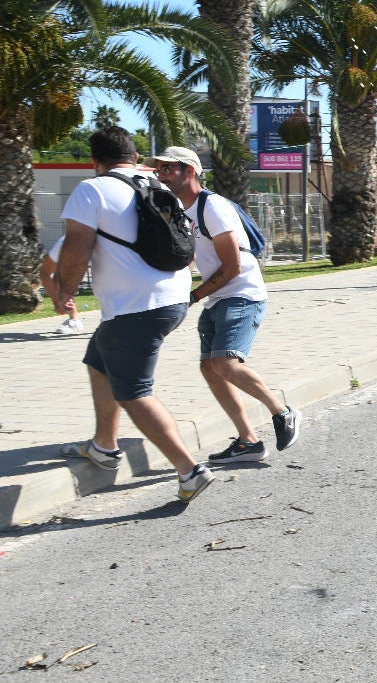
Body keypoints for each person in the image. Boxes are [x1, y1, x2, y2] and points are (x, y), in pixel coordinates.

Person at [53, 125, 216, 502]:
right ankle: (104, 446)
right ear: (137, 157)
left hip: (135, 309)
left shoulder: (92, 189)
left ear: (94, 162)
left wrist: (63, 291)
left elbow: (77, 248)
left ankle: (189, 470)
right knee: (99, 360)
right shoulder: (159, 187)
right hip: (171, 298)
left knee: (134, 391)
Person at [150, 146, 300, 463]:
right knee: (211, 367)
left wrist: (194, 295)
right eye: (159, 169)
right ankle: (248, 442)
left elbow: (232, 266)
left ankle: (282, 411)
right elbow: (190, 257)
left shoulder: (213, 206)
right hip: (219, 298)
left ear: (189, 171)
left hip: (241, 293)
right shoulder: (181, 210)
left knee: (226, 363)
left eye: (167, 169)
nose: (161, 175)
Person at [39, 237, 83, 334]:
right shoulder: (64, 243)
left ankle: (111, 319)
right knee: (59, 282)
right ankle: (74, 319)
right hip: (75, 253)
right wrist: (57, 301)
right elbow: (45, 272)